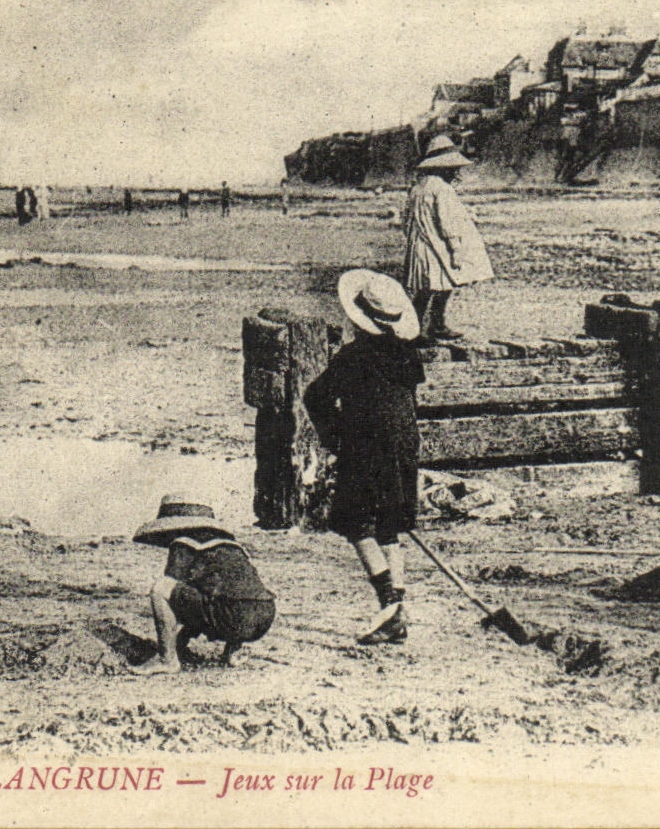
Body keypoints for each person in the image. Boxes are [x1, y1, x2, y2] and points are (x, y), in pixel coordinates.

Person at [304, 270, 426, 645]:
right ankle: (397, 610)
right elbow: (406, 404)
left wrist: (337, 436)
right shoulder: (408, 355)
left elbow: (315, 397)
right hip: (404, 446)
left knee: (356, 523)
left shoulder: (353, 356)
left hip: (367, 447)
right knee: (390, 526)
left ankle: (390, 605)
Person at [130, 496, 276, 673]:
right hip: (264, 616)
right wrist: (182, 641)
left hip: (231, 616)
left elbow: (173, 594)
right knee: (225, 593)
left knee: (162, 589)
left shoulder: (183, 543)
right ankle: (232, 653)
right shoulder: (230, 544)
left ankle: (166, 659)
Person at [403, 134, 494, 342]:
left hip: (419, 245)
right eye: (453, 168)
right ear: (444, 168)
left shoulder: (417, 189)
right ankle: (432, 326)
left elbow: (406, 221)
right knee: (441, 287)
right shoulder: (442, 190)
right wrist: (455, 247)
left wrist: (413, 239)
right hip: (437, 246)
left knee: (426, 289)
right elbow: (447, 221)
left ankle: (420, 328)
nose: (456, 172)